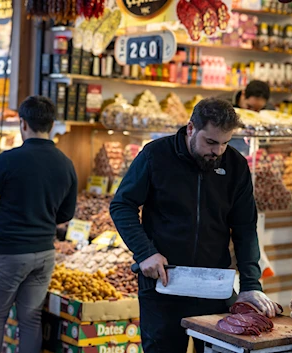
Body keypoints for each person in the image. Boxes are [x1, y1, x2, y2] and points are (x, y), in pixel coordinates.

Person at [110, 98, 279, 353]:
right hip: (162, 284)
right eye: (210, 142)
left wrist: (250, 285)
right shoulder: (156, 155)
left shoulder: (235, 165)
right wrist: (145, 252)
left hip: (213, 286)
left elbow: (245, 228)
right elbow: (122, 205)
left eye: (225, 143)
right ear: (191, 128)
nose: (218, 151)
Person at [0, 96, 77, 353]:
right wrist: (41, 218)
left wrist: (8, 215)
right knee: (31, 319)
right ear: (52, 125)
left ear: (23, 124)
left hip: (7, 252)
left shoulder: (9, 159)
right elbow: (66, 213)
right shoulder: (66, 164)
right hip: (44, 253)